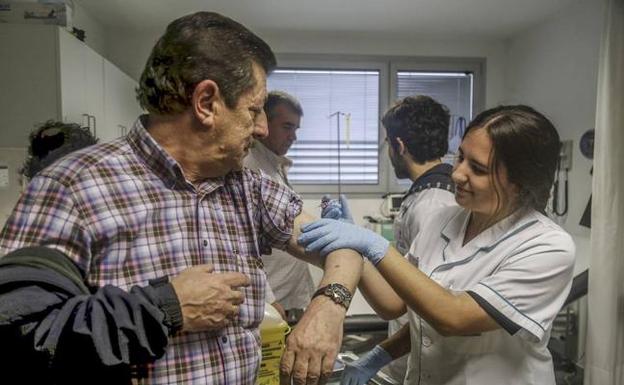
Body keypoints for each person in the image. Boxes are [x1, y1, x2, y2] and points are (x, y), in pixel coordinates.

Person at [0, 12, 363, 385]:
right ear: (206, 102)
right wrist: (166, 308)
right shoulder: (71, 186)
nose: (261, 129)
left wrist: (328, 307)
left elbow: (343, 246)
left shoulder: (247, 187)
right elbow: (21, 341)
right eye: (254, 110)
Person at [299, 105, 575, 385]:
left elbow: (453, 316)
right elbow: (394, 303)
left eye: (477, 169)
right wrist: (357, 250)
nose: (457, 174)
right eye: (460, 157)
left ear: (518, 182)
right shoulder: (445, 219)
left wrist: (374, 245)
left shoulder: (547, 247)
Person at [323, 95, 456, 383]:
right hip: (410, 350)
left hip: (422, 355)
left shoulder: (433, 205)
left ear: (399, 146)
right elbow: (401, 284)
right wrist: (355, 240)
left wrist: (358, 245)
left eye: (387, 143)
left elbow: (403, 301)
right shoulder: (426, 195)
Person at [244, 90, 315, 322]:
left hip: (290, 296)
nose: (293, 136)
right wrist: (267, 297)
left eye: (296, 129)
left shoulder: (275, 163)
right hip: (271, 303)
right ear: (264, 122)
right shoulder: (249, 165)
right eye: (287, 127)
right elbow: (245, 244)